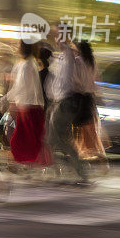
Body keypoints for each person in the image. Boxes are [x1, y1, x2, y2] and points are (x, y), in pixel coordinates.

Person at [46, 26, 89, 183]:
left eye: (58, 36)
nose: (56, 39)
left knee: (55, 138)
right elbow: (56, 82)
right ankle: (75, 171)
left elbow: (64, 84)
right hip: (61, 102)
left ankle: (68, 171)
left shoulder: (69, 55)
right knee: (58, 138)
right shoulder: (62, 57)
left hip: (66, 102)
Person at [2, 39, 51, 168]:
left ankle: (25, 164)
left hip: (28, 108)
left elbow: (21, 87)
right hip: (26, 107)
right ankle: (28, 164)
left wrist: (5, 99)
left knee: (23, 139)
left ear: (23, 48)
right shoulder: (26, 63)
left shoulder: (27, 65)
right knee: (27, 139)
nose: (15, 47)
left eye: (18, 45)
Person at [72, 41, 109, 171]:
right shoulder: (92, 62)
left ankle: (81, 162)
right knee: (90, 132)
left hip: (80, 99)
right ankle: (100, 160)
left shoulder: (77, 61)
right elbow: (97, 81)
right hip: (90, 99)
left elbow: (75, 81)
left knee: (79, 133)